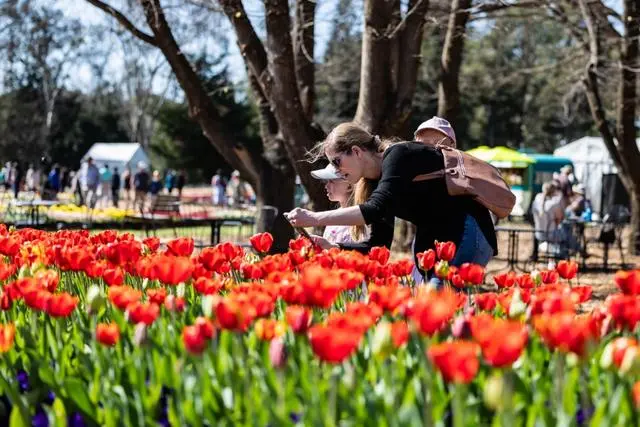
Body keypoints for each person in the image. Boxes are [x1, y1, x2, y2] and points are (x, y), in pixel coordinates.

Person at [286, 122, 497, 282]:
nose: (335, 169)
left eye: (336, 161)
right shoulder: (373, 183)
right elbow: (377, 246)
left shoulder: (398, 155)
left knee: (436, 307)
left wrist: (314, 218)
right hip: (440, 239)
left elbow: (374, 210)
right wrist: (334, 246)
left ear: (357, 151)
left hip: (468, 231)